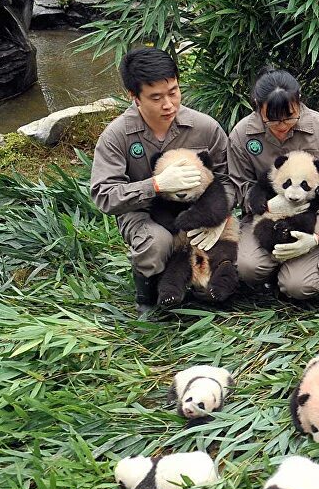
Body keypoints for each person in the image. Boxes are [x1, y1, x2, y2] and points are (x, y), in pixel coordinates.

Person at [91, 47, 234, 315]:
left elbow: (229, 180)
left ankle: (196, 285)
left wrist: (220, 218)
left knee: (223, 260)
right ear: (133, 96)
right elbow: (104, 196)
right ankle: (145, 296)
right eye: (156, 97)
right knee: (157, 243)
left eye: (173, 92)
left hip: (201, 211)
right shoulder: (117, 136)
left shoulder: (206, 128)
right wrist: (154, 186)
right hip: (144, 214)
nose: (168, 104)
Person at [228, 68, 319, 300]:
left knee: (299, 287)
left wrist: (317, 236)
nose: (282, 125)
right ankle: (272, 270)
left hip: (310, 219)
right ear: (257, 106)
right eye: (272, 119)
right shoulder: (242, 134)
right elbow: (238, 185)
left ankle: (311, 259)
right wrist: (267, 205)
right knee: (247, 268)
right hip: (265, 219)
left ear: (299, 100)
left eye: (289, 116)